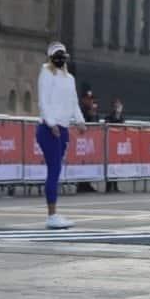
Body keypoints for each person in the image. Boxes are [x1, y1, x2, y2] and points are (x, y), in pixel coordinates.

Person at [37, 42, 86, 229]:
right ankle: (52, 214)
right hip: (49, 128)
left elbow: (73, 102)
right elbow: (43, 101)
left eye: (62, 55)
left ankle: (54, 212)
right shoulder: (46, 74)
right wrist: (50, 122)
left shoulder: (69, 78)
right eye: (56, 55)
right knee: (54, 169)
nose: (60, 58)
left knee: (56, 170)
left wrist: (80, 120)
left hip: (63, 127)